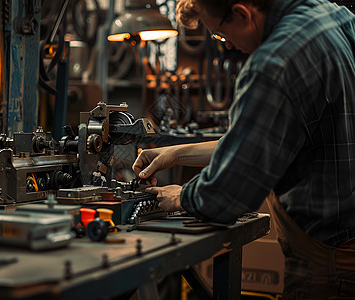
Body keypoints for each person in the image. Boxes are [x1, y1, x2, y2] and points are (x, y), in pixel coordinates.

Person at [132, 0, 355, 298]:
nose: (227, 45)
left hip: (331, 267)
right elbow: (262, 142)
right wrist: (177, 153)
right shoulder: (333, 17)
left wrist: (181, 196)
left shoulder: (274, 64)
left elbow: (229, 196)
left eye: (221, 35)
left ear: (241, 13)